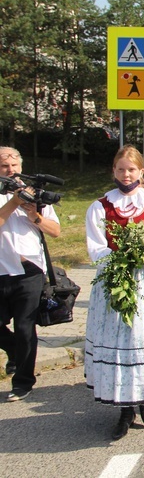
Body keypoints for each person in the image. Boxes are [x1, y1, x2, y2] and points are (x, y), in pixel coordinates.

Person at [85, 146, 144, 439]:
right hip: (116, 281)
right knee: (121, 339)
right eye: (120, 169)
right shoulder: (100, 206)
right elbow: (96, 249)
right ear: (113, 171)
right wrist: (123, 258)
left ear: (142, 172)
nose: (126, 174)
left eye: (131, 169)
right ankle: (125, 408)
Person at [0, 146, 61, 402]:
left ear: (21, 167)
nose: (11, 170)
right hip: (2, 269)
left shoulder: (35, 193)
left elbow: (55, 231)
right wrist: (14, 202)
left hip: (30, 271)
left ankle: (23, 381)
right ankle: (15, 351)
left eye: (14, 165)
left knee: (26, 328)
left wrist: (34, 215)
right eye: (4, 165)